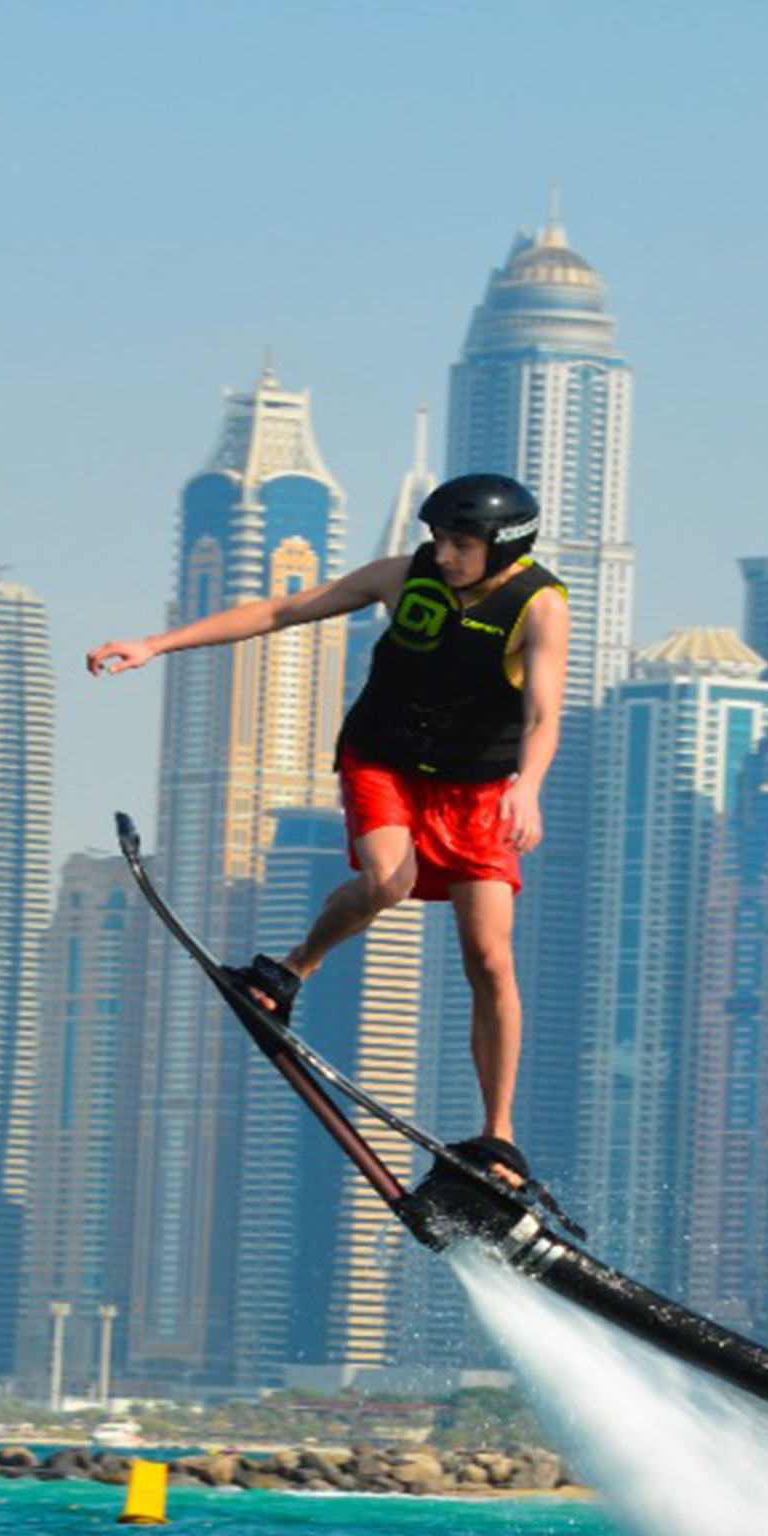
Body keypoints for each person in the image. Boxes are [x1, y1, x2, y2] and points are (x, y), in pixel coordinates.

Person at [87, 472, 569, 1190]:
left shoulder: (538, 605)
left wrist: (526, 788)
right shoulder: (400, 577)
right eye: (437, 538)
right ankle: (286, 972)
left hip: (479, 790)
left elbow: (540, 713)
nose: (441, 555)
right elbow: (283, 609)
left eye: (460, 545)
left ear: (503, 547)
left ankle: (498, 1137)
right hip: (386, 761)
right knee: (389, 880)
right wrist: (157, 645)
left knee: (491, 959)